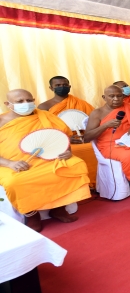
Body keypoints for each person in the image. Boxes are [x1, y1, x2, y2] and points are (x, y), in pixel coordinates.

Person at [0, 89, 91, 231]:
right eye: (20, 101)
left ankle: (58, 208)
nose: (26, 104)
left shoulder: (46, 116)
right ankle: (31, 214)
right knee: (14, 182)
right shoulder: (1, 121)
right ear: (8, 104)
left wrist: (67, 152)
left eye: (29, 100)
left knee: (74, 164)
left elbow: (62, 138)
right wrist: (10, 163)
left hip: (49, 158)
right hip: (13, 164)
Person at [38, 76, 97, 189]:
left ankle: (96, 183)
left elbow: (93, 120)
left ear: (69, 86)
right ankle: (79, 185)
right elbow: (44, 129)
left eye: (65, 85)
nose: (62, 87)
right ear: (51, 88)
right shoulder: (44, 107)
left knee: (96, 147)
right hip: (60, 141)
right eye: (58, 85)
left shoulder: (80, 103)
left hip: (84, 137)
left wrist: (87, 135)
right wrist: (66, 139)